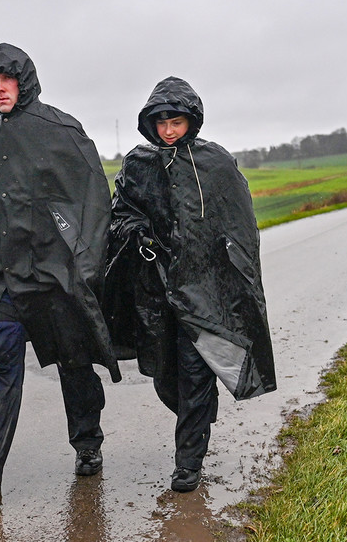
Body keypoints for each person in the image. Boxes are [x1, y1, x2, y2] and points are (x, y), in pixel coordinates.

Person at [0, 43, 120, 507]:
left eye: (7, 80)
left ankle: (87, 440)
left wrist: (85, 267)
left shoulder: (61, 130)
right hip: (4, 281)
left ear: (24, 81)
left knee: (73, 361)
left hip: (54, 275)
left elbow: (92, 200)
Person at [103, 76, 276, 493]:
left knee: (196, 371)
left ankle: (188, 463)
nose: (168, 130)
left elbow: (239, 225)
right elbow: (119, 212)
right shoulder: (138, 165)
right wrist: (138, 232)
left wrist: (232, 276)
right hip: (156, 293)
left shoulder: (216, 163)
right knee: (169, 376)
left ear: (191, 120)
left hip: (204, 291)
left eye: (175, 121)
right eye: (160, 122)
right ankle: (196, 422)